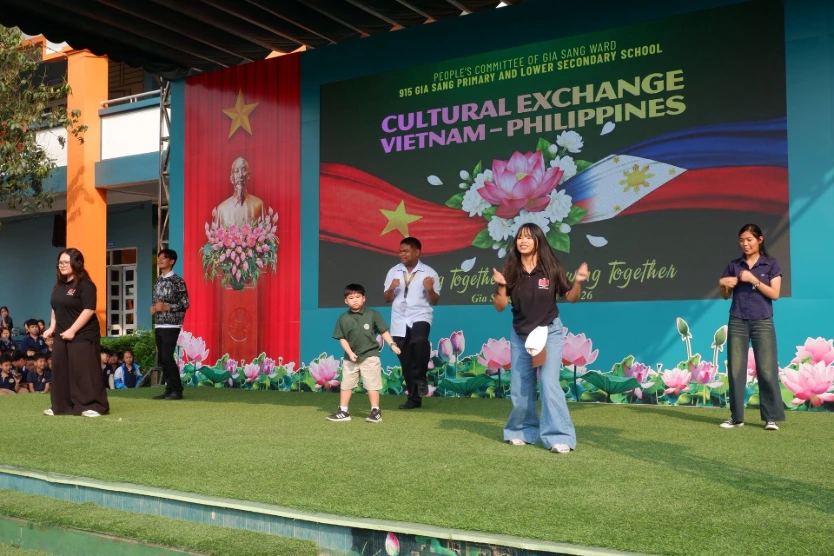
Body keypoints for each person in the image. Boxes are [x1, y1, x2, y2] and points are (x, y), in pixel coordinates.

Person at [492, 223, 589, 454]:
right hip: (521, 334)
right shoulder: (511, 270)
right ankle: (521, 431)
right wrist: (502, 286)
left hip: (549, 331)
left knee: (548, 382)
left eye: (528, 237)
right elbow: (500, 306)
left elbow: (571, 297)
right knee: (521, 386)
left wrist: (578, 282)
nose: (523, 241)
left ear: (538, 241)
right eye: (519, 237)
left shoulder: (551, 267)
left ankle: (559, 436)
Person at [718, 223, 785, 431]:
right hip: (737, 320)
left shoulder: (771, 264)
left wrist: (753, 279)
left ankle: (770, 418)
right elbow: (725, 296)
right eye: (741, 240)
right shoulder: (734, 265)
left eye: (749, 240)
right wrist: (722, 285)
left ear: (760, 240)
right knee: (736, 371)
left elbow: (775, 294)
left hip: (762, 321)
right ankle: (736, 417)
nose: (745, 244)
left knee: (766, 369)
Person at [43, 248, 109, 417]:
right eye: (60, 263)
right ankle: (61, 406)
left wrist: (72, 330)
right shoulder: (60, 285)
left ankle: (94, 406)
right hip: (62, 334)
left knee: (84, 370)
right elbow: (55, 307)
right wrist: (52, 327)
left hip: (83, 334)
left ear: (76, 263)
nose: (62, 265)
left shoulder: (85, 285)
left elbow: (89, 310)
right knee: (60, 369)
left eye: (66, 262)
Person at [329, 284, 401, 423]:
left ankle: (375, 411)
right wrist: (350, 353)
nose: (355, 300)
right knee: (346, 385)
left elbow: (383, 331)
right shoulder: (343, 318)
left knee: (372, 386)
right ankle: (343, 411)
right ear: (346, 301)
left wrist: (392, 344)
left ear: (364, 298)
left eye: (358, 297)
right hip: (350, 358)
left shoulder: (372, 314)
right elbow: (342, 338)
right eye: (351, 298)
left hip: (370, 356)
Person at [383, 237, 440, 410]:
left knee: (420, 340)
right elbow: (387, 299)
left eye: (406, 251)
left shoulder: (429, 273)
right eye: (400, 251)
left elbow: (434, 300)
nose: (402, 254)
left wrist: (429, 288)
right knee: (406, 359)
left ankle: (421, 377)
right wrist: (391, 288)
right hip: (399, 318)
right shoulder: (393, 271)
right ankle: (414, 399)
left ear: (417, 252)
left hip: (420, 314)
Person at [150, 248, 189, 400]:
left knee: (167, 356)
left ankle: (177, 390)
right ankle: (169, 389)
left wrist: (167, 307)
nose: (160, 260)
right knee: (162, 358)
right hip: (159, 324)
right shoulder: (158, 281)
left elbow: (185, 303)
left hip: (172, 325)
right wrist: (154, 308)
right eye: (159, 258)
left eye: (163, 258)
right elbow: (156, 302)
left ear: (171, 261)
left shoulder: (178, 281)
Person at [213, 157, 265, 228]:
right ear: (232, 178)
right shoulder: (221, 209)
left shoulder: (258, 205)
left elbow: (266, 233)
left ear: (248, 175)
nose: (240, 175)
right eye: (236, 171)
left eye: (243, 170)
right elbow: (215, 234)